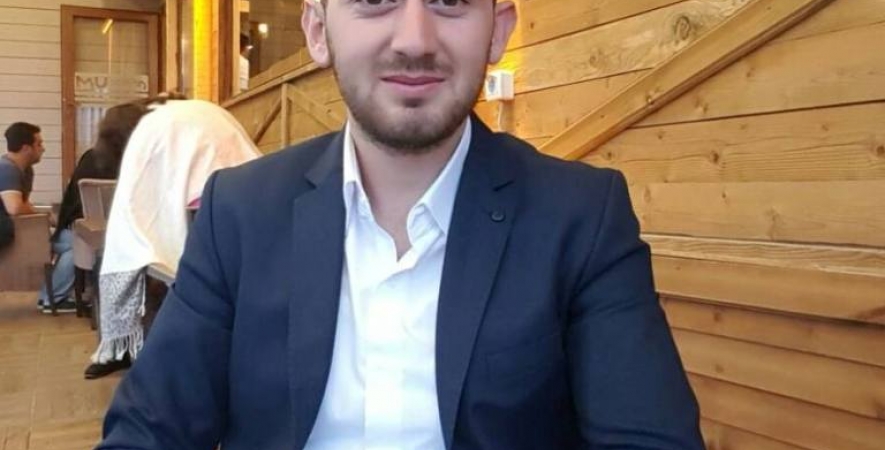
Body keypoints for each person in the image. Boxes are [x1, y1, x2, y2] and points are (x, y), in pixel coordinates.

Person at [98, 1, 704, 449]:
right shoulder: (239, 211)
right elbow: (150, 431)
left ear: (498, 30)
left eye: (450, 0)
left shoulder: (582, 217)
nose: (415, 38)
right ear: (318, 30)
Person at [84, 99, 261, 379]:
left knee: (130, 262)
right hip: (255, 195)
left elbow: (130, 209)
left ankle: (135, 355)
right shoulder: (196, 110)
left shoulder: (147, 131)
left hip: (208, 206)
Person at [42, 103, 151, 315]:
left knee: (77, 243)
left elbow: (71, 201)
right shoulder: (139, 162)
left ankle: (62, 296)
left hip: (86, 232)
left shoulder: (91, 158)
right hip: (126, 236)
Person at [0, 122, 76, 311]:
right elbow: (14, 207)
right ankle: (53, 298)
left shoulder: (26, 170)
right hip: (9, 233)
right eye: (39, 144)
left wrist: (46, 218)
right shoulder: (7, 169)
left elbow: (23, 205)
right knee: (78, 243)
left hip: (17, 228)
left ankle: (49, 296)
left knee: (75, 240)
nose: (43, 148)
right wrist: (44, 216)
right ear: (26, 148)